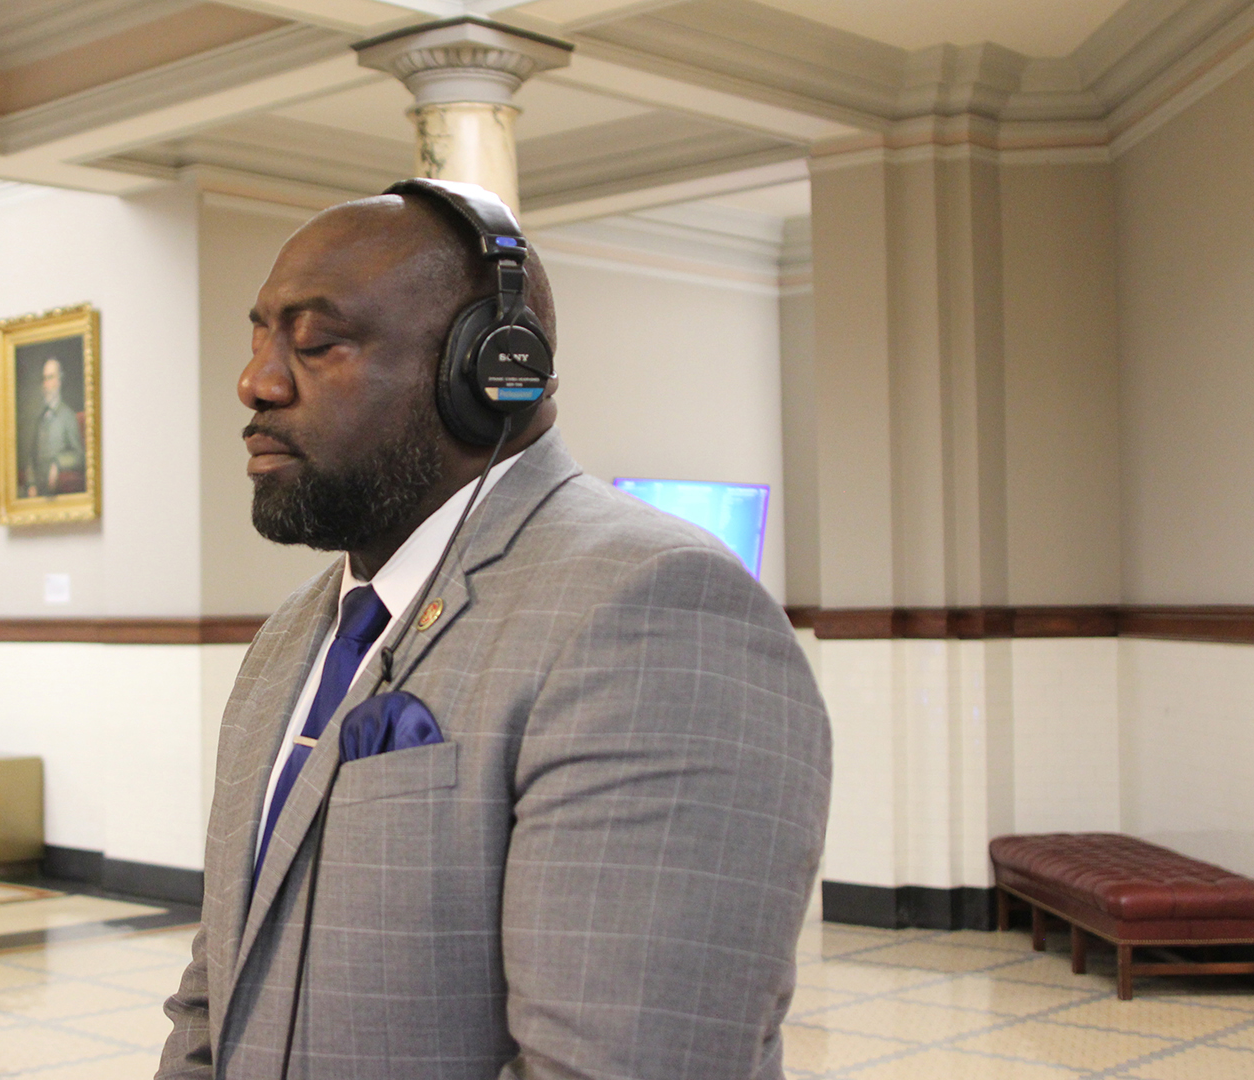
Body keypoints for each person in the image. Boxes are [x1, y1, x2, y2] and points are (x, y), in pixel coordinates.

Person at [156, 180, 831, 1079]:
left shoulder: (658, 611)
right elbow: (217, 992)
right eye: (258, 340)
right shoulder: (290, 635)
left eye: (316, 344)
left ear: (488, 370)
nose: (257, 383)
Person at [25, 355, 85, 496]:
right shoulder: (40, 419)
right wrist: (31, 483)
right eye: (44, 379)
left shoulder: (68, 416)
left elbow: (79, 456)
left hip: (59, 491)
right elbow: (31, 458)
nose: (46, 384)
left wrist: (57, 463)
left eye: (50, 378)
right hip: (37, 492)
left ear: (59, 381)